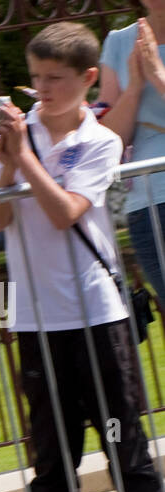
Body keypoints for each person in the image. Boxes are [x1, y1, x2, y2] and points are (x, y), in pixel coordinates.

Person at [0, 22, 165, 492]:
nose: (42, 91)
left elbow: (65, 213)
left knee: (124, 440)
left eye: (55, 79)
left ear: (87, 79)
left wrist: (25, 157)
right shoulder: (11, 138)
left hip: (96, 314)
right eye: (34, 79)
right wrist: (6, 163)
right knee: (51, 455)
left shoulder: (99, 139)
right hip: (36, 320)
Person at [99, 8, 165, 306]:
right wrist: (135, 87)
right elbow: (108, 140)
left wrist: (157, 74)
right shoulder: (119, 41)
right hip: (148, 204)